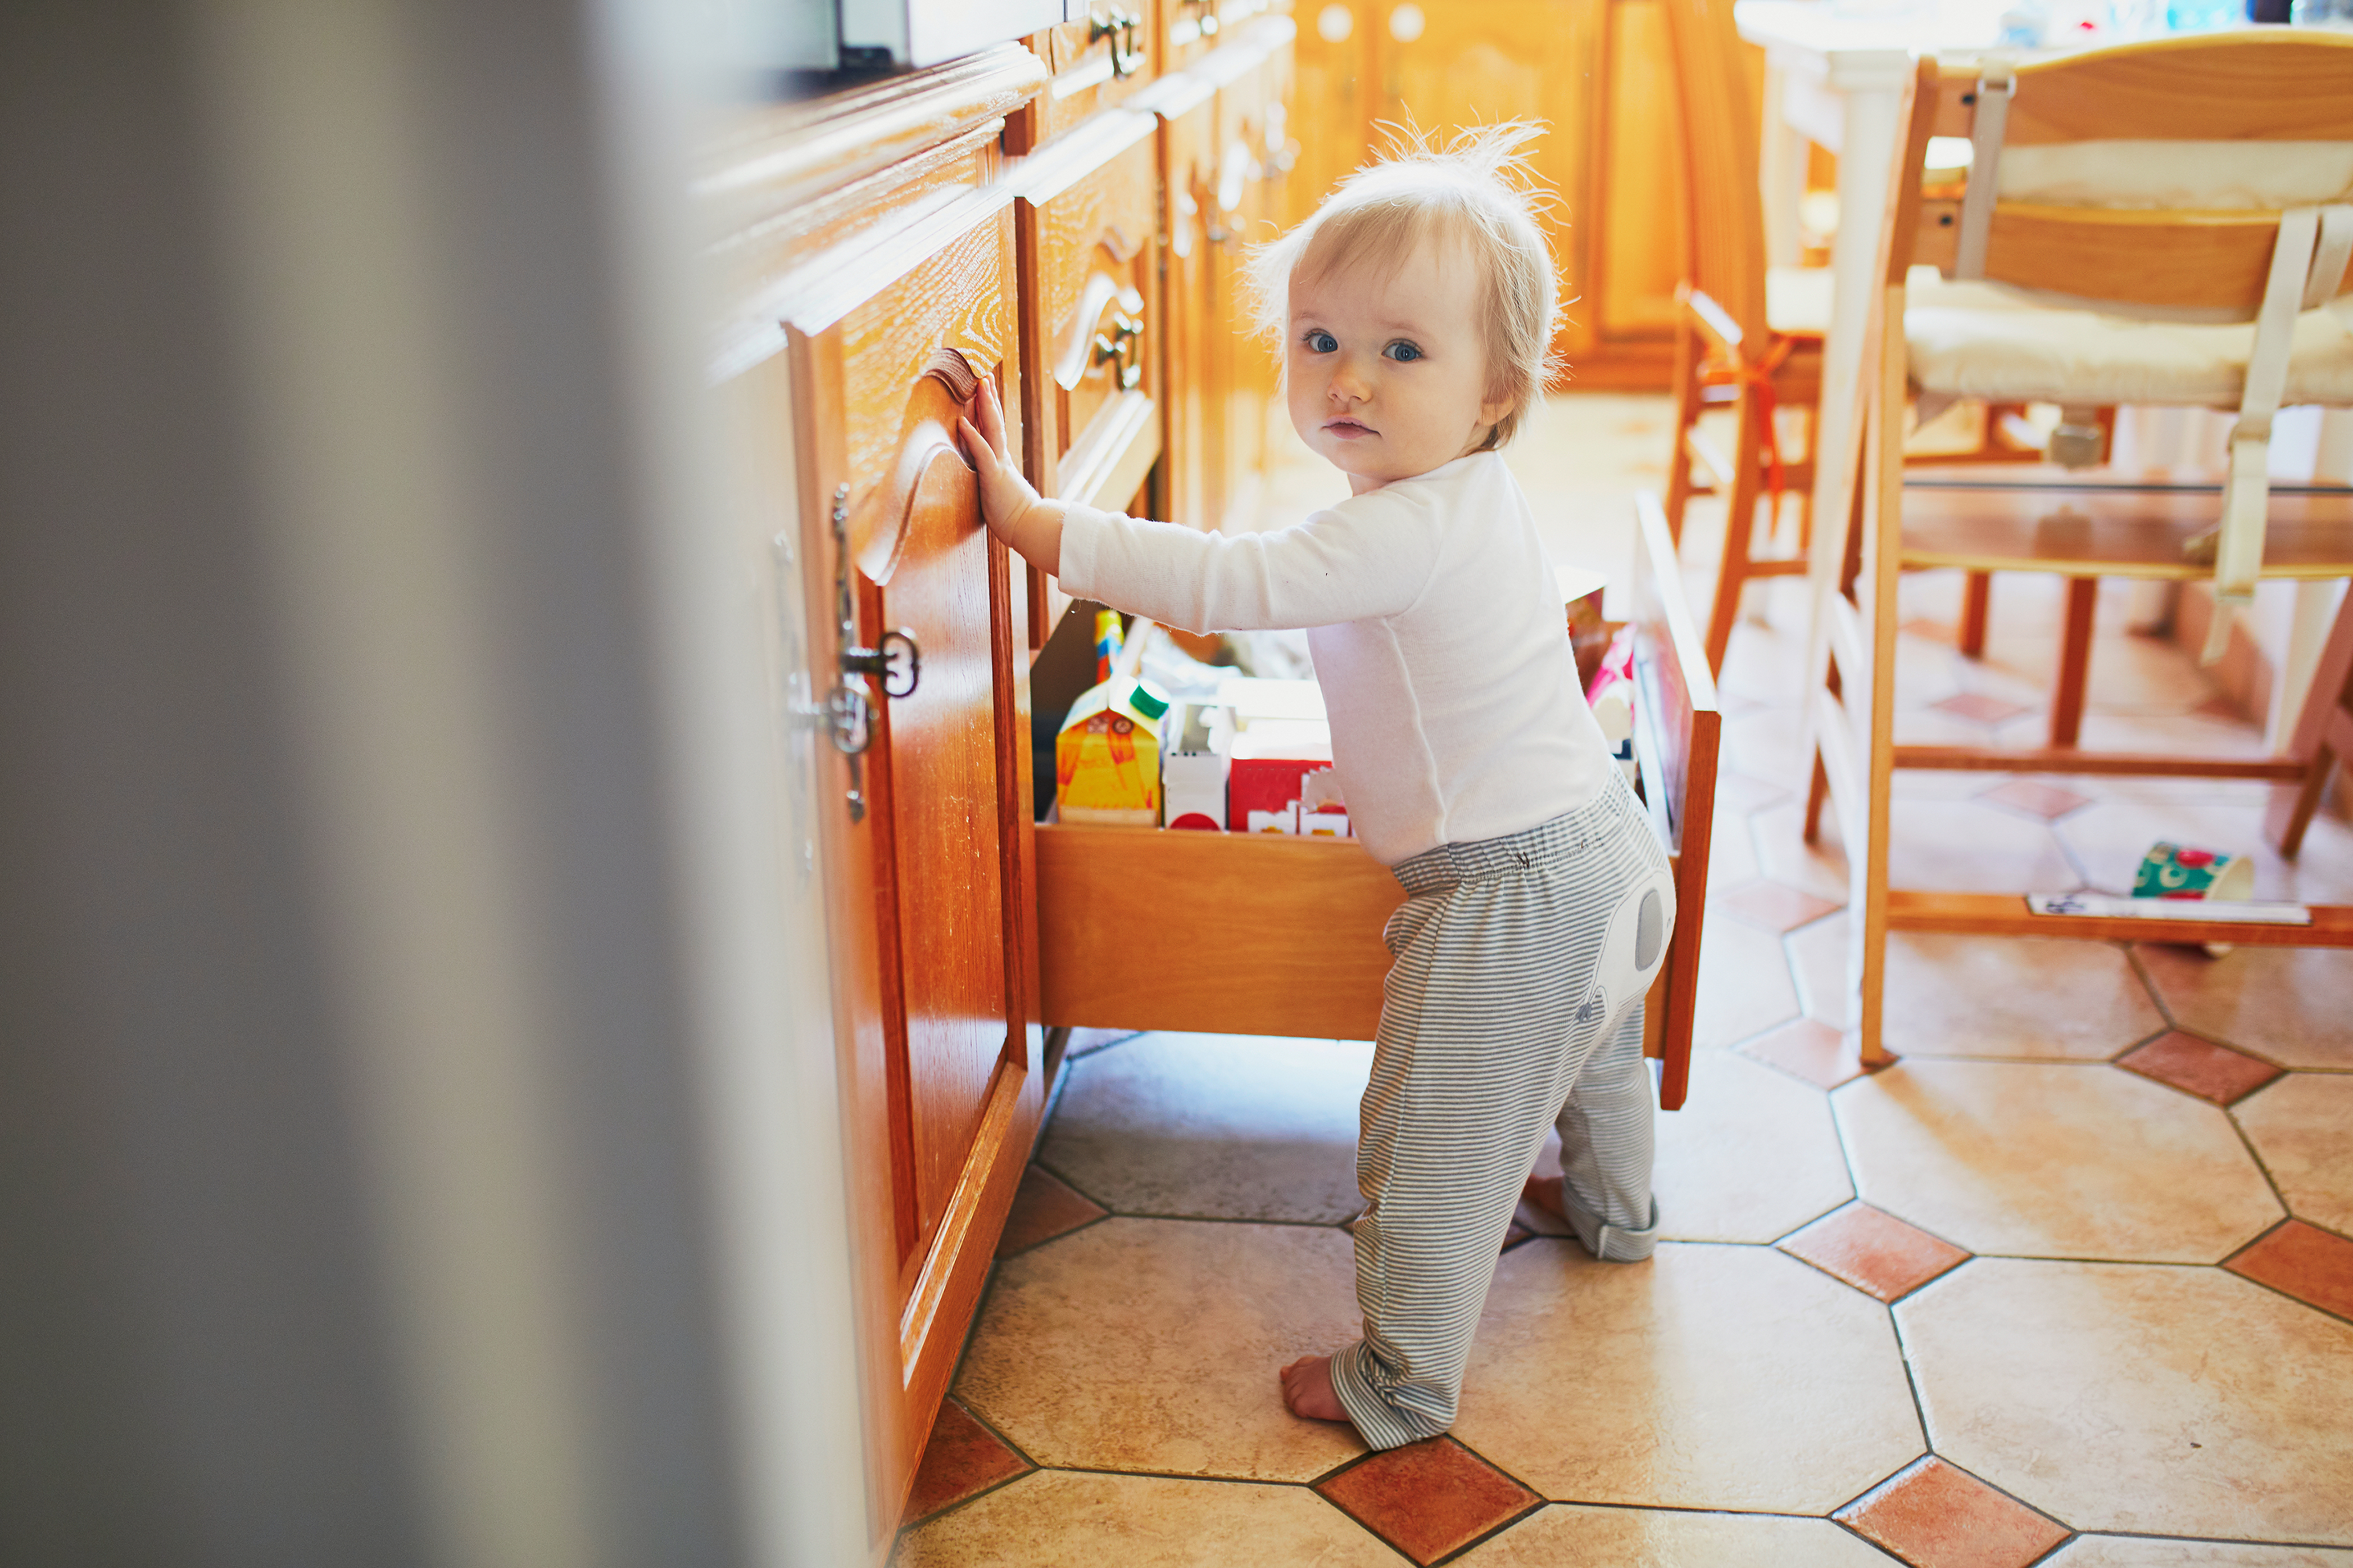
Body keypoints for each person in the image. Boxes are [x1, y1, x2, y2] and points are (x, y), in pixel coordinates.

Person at [955, 124, 1676, 1451]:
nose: (1348, 377)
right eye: (1318, 339)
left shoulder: (1391, 526)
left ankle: (1398, 1382)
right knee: (1596, 1060)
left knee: (1431, 1151)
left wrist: (1032, 523)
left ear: (1496, 390)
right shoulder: (1473, 494)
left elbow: (1236, 578)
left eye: (1403, 350)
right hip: (1612, 858)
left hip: (1504, 899)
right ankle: (1616, 1215)